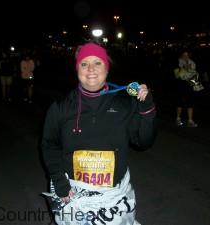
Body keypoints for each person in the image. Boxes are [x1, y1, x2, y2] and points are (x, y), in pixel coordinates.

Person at [41, 42, 157, 225]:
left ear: (107, 68)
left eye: (98, 63)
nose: (91, 69)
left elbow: (143, 142)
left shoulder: (124, 104)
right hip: (73, 194)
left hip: (114, 197)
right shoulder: (61, 107)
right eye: (84, 64)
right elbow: (49, 145)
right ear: (77, 68)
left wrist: (146, 108)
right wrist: (59, 182)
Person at [174, 51, 199, 127]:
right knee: (180, 101)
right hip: (181, 83)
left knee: (190, 101)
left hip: (191, 82)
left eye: (187, 55)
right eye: (184, 55)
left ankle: (190, 120)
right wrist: (185, 67)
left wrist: (196, 84)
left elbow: (194, 71)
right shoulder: (178, 62)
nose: (186, 56)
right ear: (181, 55)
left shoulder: (192, 62)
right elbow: (177, 74)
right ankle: (178, 119)